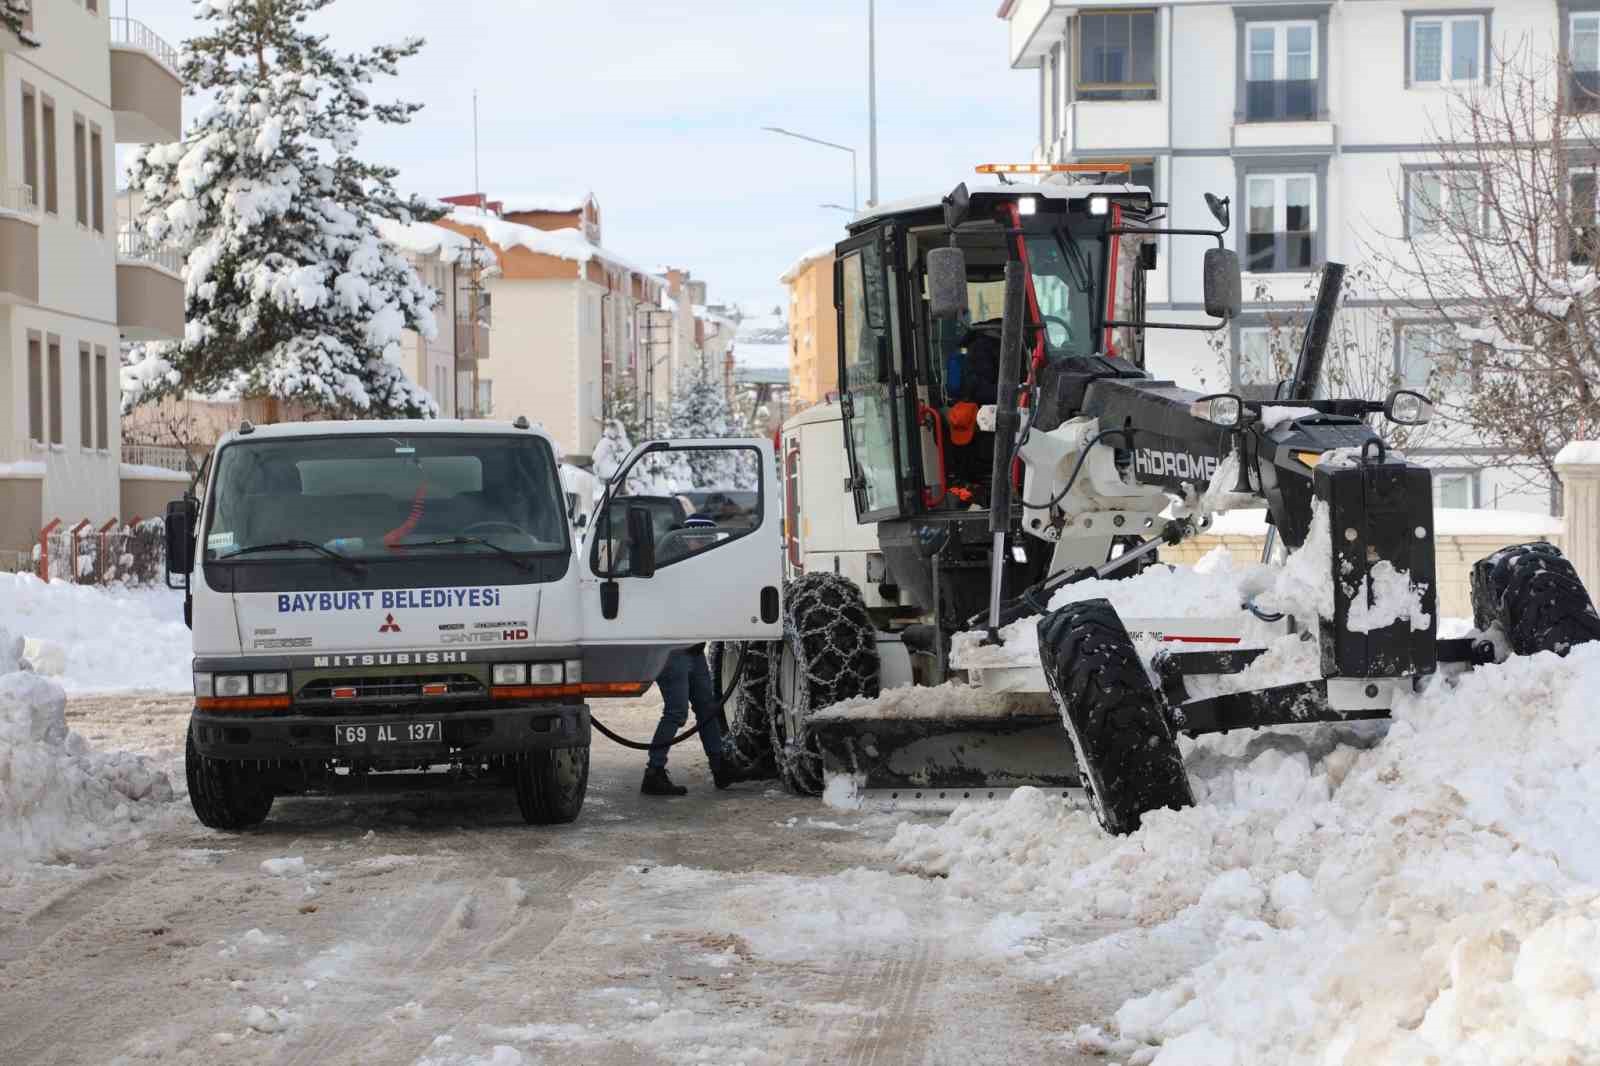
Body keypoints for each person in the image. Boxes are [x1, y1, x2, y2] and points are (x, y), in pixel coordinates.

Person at [640, 644, 737, 795]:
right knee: (676, 712)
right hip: (672, 650)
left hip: (694, 649)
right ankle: (653, 773)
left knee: (707, 709)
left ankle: (720, 767)